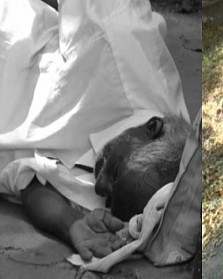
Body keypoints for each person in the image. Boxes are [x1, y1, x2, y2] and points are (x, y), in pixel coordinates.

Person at [0, 0, 190, 262]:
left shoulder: (136, 190)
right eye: (112, 173)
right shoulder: (120, 39)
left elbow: (28, 180)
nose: (99, 188)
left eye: (108, 199)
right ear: (152, 128)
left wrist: (70, 224)